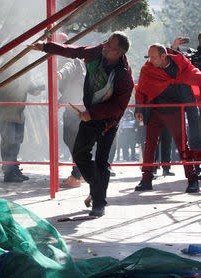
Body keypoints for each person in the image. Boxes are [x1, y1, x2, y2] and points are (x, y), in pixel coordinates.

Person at [29, 31, 134, 216]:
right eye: (106, 41)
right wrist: (46, 47)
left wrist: (91, 114)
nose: (104, 45)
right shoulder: (97, 53)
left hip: (109, 121)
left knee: (102, 162)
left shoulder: (125, 77)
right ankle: (96, 185)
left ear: (118, 53)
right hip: (90, 115)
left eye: (109, 45)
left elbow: (118, 107)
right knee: (78, 152)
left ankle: (99, 203)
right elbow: (74, 51)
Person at [134, 43, 201, 193]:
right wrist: (139, 108)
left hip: (175, 110)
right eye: (149, 56)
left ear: (163, 56)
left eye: (153, 57)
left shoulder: (181, 63)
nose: (150, 60)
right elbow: (141, 89)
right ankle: (146, 179)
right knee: (149, 145)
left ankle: (192, 180)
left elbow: (194, 74)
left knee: (184, 146)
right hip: (155, 111)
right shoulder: (147, 69)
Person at [0, 50, 44, 183]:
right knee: (8, 142)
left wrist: (35, 89)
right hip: (6, 110)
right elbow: (7, 86)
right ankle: (8, 172)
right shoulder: (8, 63)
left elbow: (27, 84)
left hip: (17, 111)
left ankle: (14, 168)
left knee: (16, 142)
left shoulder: (25, 65)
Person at [171, 35, 201, 177]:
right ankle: (196, 164)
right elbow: (178, 60)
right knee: (195, 133)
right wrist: (175, 47)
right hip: (193, 100)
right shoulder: (193, 55)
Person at [57, 58, 86, 187]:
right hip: (78, 107)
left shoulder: (71, 61)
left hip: (74, 109)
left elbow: (68, 68)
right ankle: (83, 172)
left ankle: (76, 175)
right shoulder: (81, 63)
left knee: (72, 141)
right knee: (77, 142)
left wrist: (61, 73)